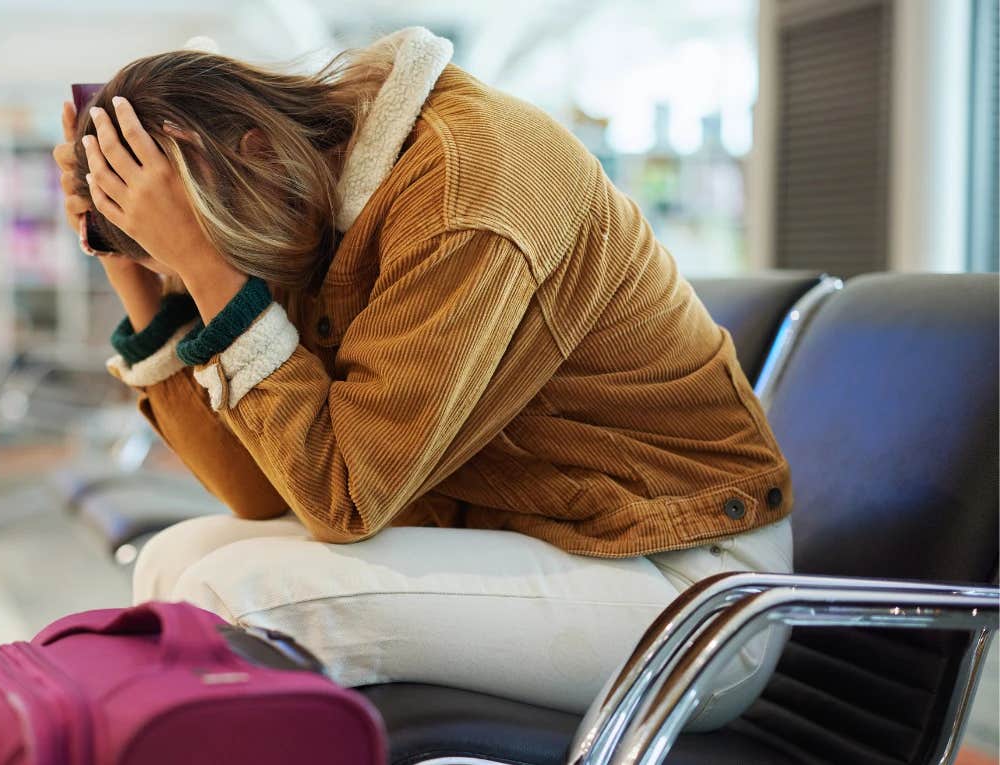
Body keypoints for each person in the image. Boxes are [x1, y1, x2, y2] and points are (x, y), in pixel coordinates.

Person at [52, 27, 793, 729]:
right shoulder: (301, 194)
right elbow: (260, 490)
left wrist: (211, 272)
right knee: (174, 558)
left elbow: (342, 497)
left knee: (235, 595)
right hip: (539, 537)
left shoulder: (466, 193)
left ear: (253, 150)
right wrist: (135, 268)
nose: (188, 270)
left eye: (186, 244)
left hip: (686, 585)